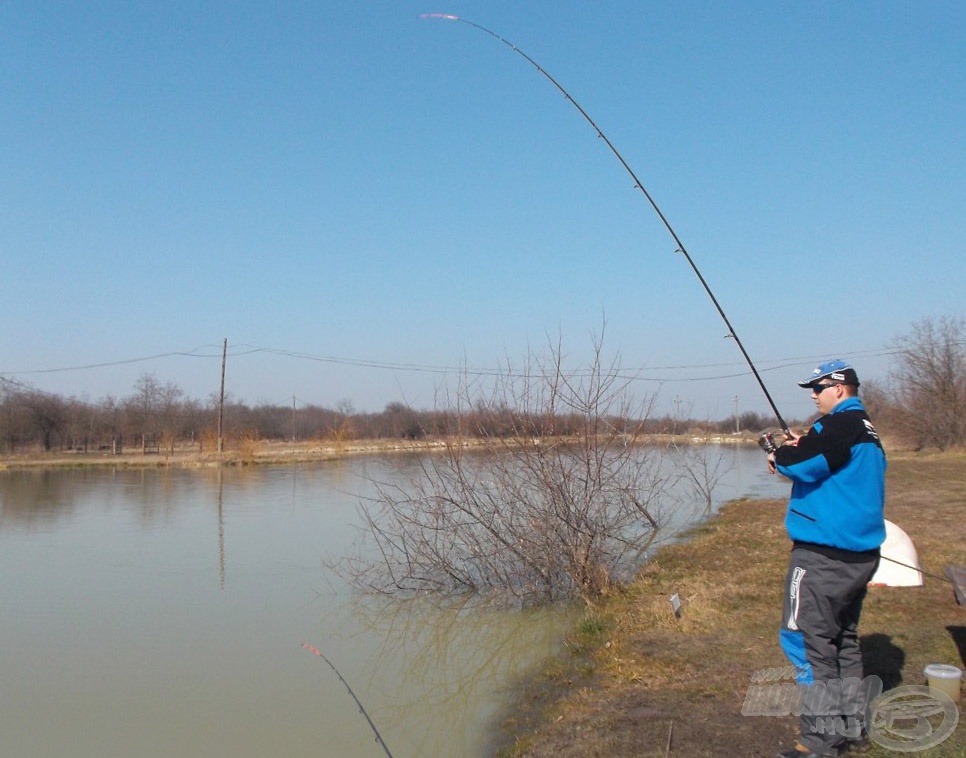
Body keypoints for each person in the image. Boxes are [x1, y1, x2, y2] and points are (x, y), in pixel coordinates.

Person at [766, 359, 886, 758]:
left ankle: (820, 743)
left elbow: (805, 464)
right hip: (859, 556)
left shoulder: (837, 425)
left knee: (806, 642)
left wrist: (782, 454)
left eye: (817, 388)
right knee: (843, 642)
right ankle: (852, 729)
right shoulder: (865, 429)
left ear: (839, 388)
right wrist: (805, 445)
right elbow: (830, 464)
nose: (813, 396)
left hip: (823, 558)